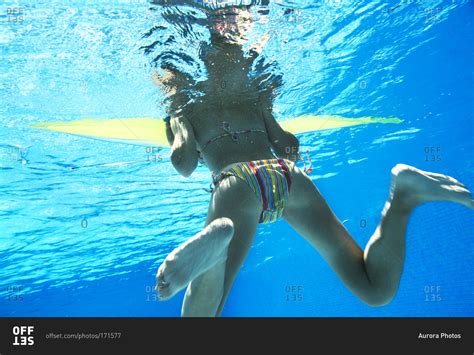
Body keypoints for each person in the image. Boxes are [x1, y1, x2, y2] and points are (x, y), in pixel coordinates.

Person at [153, 6, 473, 317]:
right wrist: (266, 115)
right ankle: (404, 195)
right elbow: (287, 146)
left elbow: (184, 166)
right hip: (287, 177)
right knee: (375, 290)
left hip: (235, 185)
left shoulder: (184, 98)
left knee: (203, 317)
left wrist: (180, 127)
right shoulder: (256, 88)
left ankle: (219, 244)